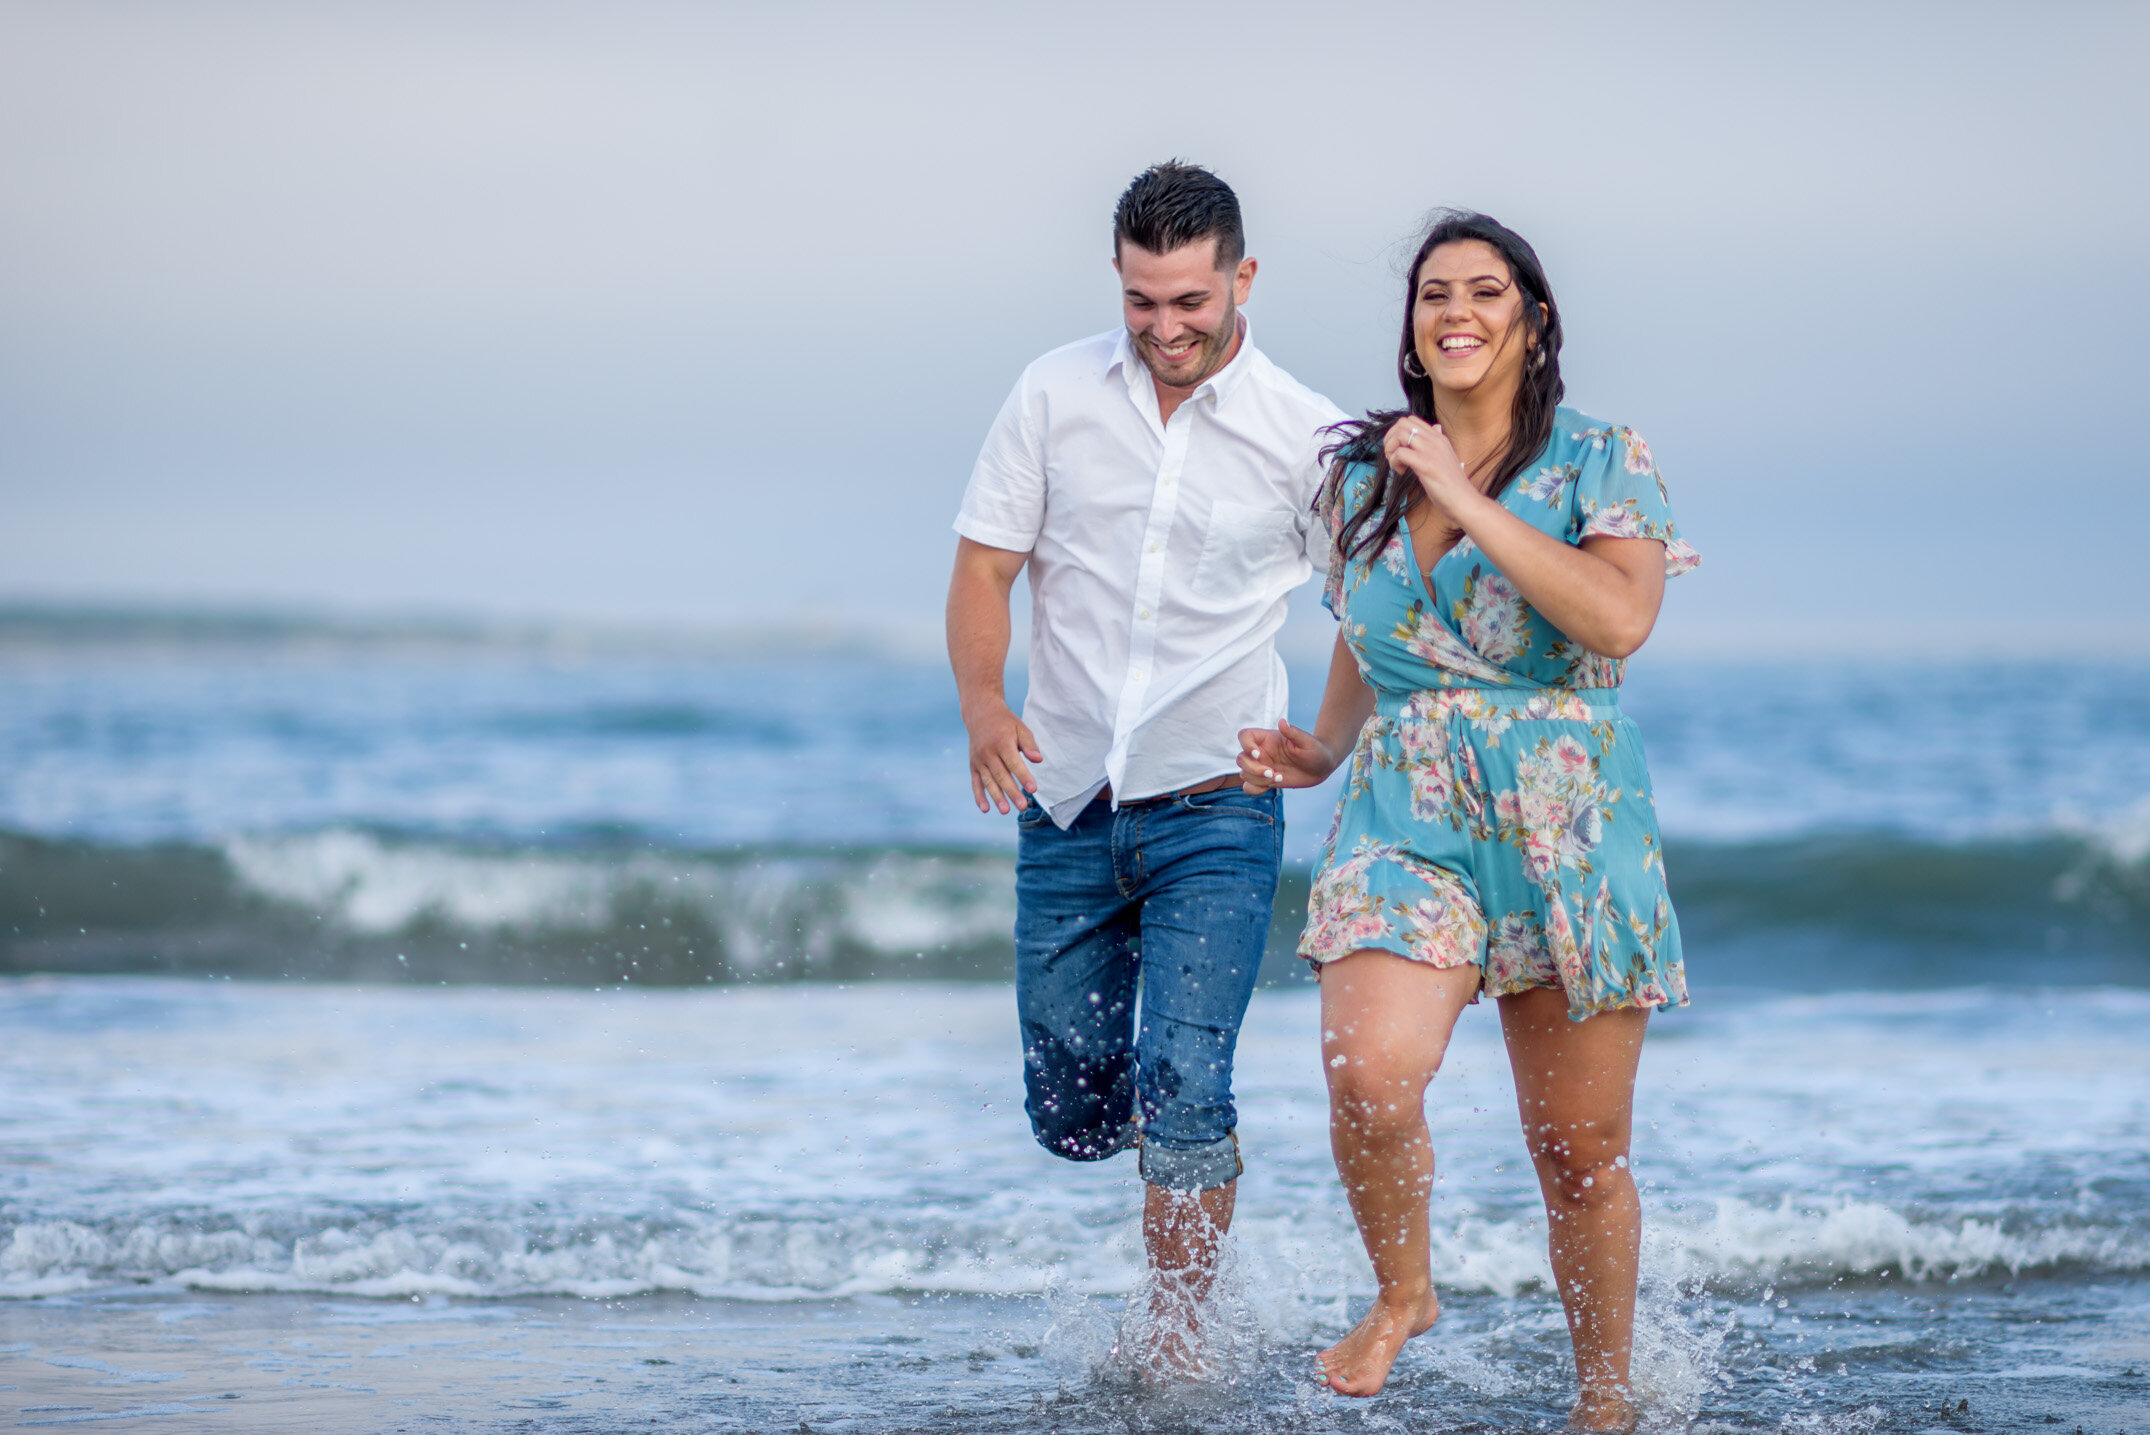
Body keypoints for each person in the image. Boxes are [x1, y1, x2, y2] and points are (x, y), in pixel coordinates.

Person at [1235, 209, 1697, 1431]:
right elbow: (1365, 622)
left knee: (1577, 1153)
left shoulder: (1603, 457)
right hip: (1405, 807)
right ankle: (1403, 1293)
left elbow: (1613, 621)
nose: (1454, 311)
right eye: (1432, 292)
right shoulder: (1358, 472)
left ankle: (1604, 1401)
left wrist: (1453, 486)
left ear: (1531, 321)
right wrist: (1321, 746)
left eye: (1484, 292)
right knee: (1367, 1073)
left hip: (1569, 816)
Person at [946, 161, 1344, 1371]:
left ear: (1241, 279)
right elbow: (983, 567)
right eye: (1139, 300)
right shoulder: (1052, 393)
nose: (1165, 327)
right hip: (1064, 802)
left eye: (1188, 300)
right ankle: (1181, 1141)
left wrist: (1323, 746)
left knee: (1184, 1080)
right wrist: (979, 703)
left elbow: (1368, 612)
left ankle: (1178, 1326)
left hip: (1218, 809)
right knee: (1070, 1114)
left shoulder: (1307, 436)